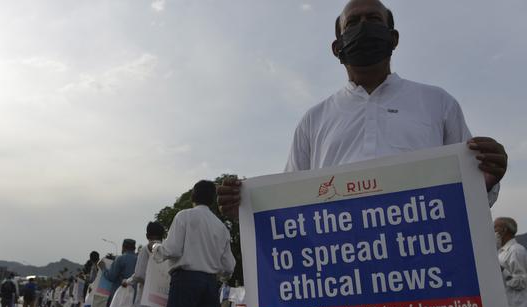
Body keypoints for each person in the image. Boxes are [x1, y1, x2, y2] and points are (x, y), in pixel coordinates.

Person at [216, 0, 508, 219]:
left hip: (424, 263)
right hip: (342, 271)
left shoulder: (438, 103)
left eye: (373, 19)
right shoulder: (313, 120)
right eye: (353, 23)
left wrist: (487, 177)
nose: (364, 27)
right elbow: (291, 202)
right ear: (337, 47)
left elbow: (473, 190)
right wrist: (245, 206)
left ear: (393, 39)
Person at [150, 180, 236, 307]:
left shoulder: (184, 216)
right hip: (210, 284)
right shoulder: (220, 227)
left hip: (185, 281)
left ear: (193, 197)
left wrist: (156, 247)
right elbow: (229, 266)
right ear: (213, 200)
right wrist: (218, 275)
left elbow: (172, 249)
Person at [125, 221, 166, 307]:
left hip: (145, 303)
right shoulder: (167, 250)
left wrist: (128, 281)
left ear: (147, 235)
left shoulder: (146, 250)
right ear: (163, 235)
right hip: (162, 305)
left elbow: (139, 275)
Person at [495, 217, 527, 307]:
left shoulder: (516, 251)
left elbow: (521, 281)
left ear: (504, 230)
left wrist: (503, 272)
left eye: (495, 228)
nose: (493, 232)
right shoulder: (500, 252)